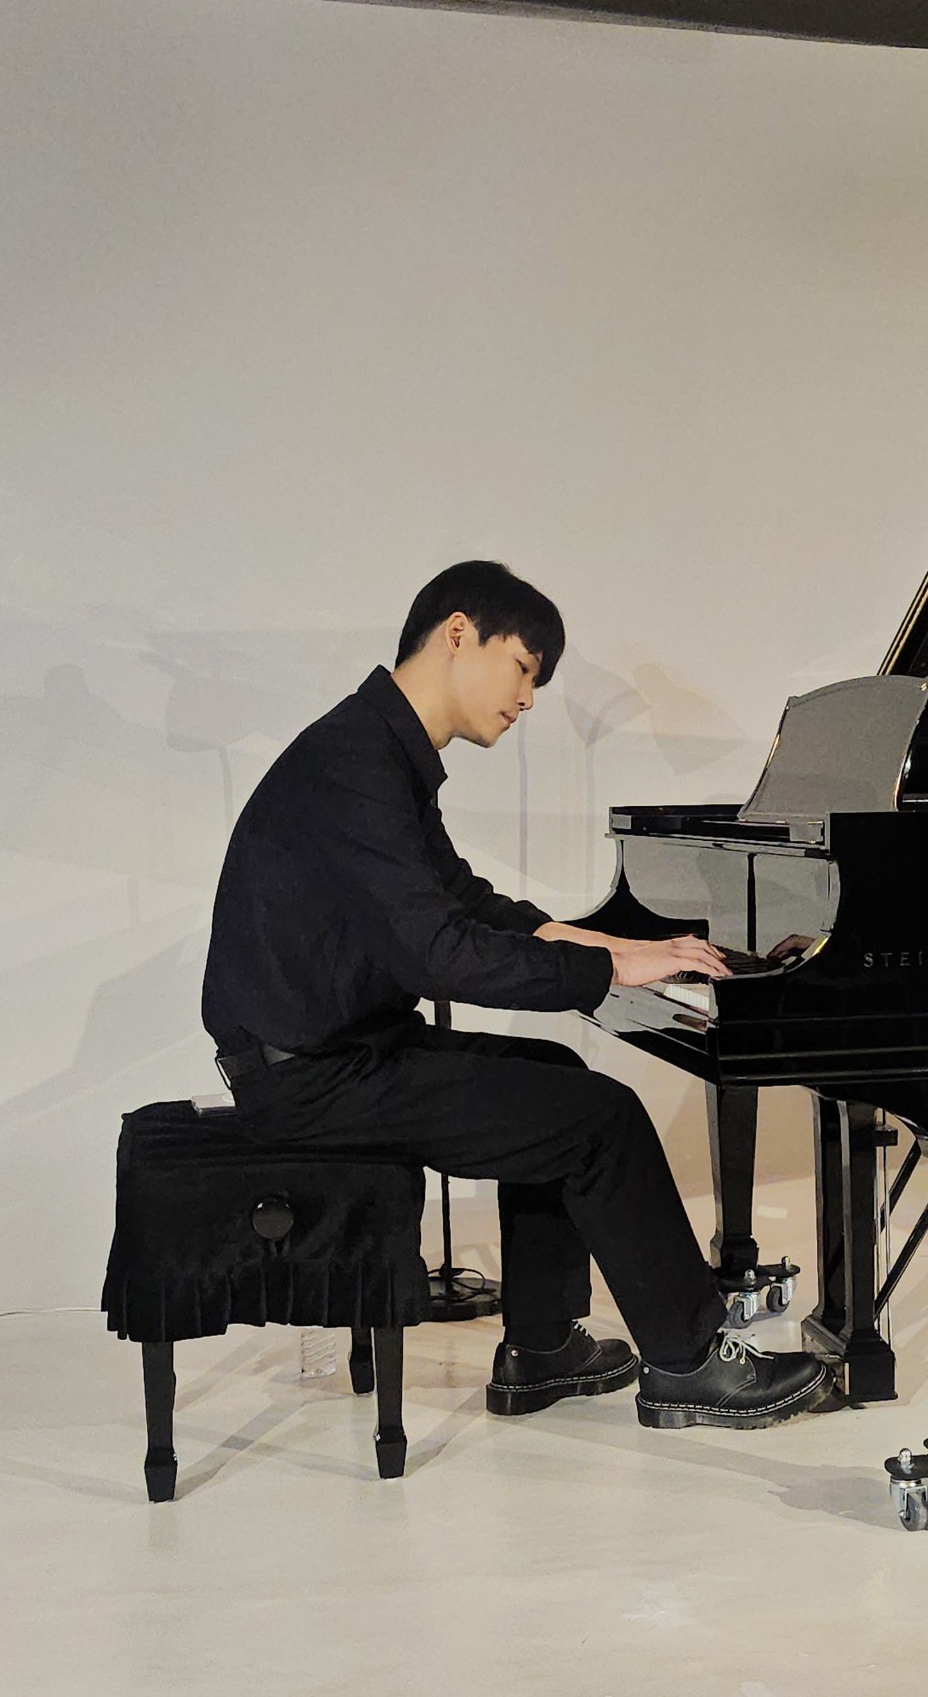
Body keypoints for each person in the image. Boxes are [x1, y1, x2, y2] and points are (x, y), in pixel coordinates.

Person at [200, 560, 833, 1430]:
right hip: (309, 1078)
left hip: (335, 1054)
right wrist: (605, 974)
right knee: (601, 1119)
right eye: (525, 668)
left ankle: (540, 1350)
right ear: (459, 633)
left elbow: (463, 901)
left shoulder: (377, 751)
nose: (529, 699)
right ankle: (689, 1364)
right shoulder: (355, 762)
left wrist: (615, 945)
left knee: (555, 1076)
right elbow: (439, 956)